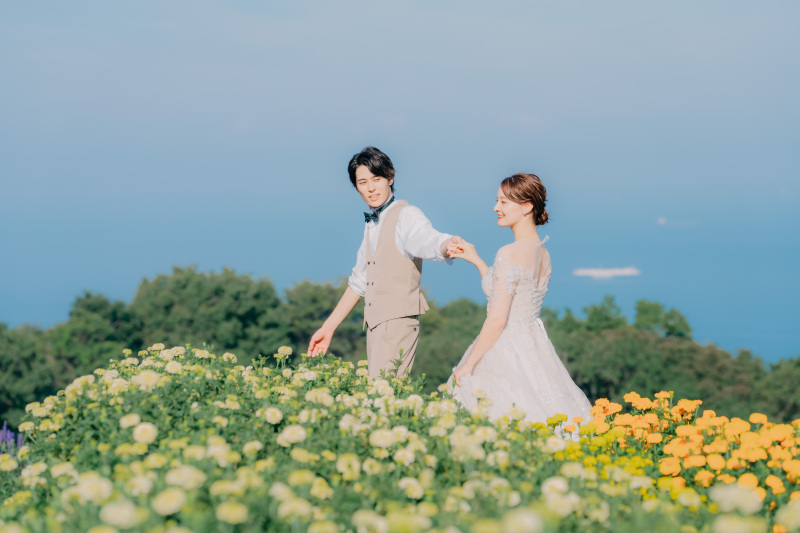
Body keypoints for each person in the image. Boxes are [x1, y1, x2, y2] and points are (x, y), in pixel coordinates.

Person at [447, 173, 592, 426]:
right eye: (497, 201)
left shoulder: (509, 253)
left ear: (527, 207)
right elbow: (505, 294)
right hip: (534, 346)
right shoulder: (542, 253)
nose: (496, 208)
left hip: (505, 346)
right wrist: (477, 260)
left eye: (504, 202)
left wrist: (469, 364)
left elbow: (498, 318)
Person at [308, 147, 458, 378]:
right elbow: (360, 280)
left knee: (383, 397)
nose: (370, 188)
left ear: (390, 176)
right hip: (375, 325)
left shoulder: (406, 215)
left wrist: (446, 245)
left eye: (376, 179)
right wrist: (328, 329)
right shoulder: (372, 223)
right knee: (380, 398)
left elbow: (426, 238)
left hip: (397, 323)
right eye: (362, 182)